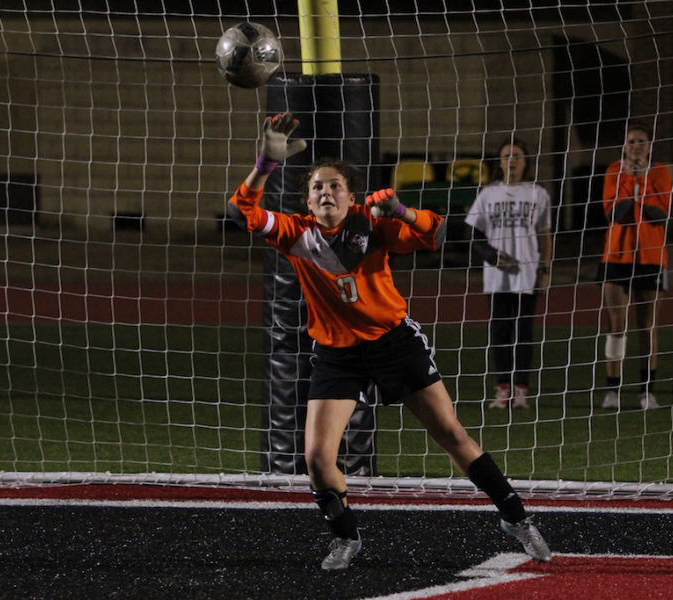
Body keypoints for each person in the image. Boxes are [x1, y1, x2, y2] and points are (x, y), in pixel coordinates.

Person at [227, 113, 551, 570]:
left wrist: (399, 209)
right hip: (338, 354)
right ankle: (346, 538)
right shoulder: (296, 233)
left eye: (335, 185)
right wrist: (266, 162)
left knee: (451, 435)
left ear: (351, 195)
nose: (326, 193)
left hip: (393, 341)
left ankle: (516, 518)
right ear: (306, 201)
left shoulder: (370, 223)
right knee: (318, 458)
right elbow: (240, 210)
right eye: (318, 187)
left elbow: (433, 231)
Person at [464, 138, 553, 409]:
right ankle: (503, 388)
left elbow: (545, 235)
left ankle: (521, 389)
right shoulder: (488, 194)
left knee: (524, 333)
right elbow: (471, 231)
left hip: (526, 274)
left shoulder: (537, 193)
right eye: (506, 157)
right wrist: (491, 255)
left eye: (516, 156)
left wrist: (546, 269)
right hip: (496, 276)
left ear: (526, 162)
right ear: (499, 163)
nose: (511, 161)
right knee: (501, 333)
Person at [597, 123, 672, 411]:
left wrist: (642, 184)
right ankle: (612, 390)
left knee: (647, 327)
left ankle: (646, 392)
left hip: (651, 258)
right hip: (616, 257)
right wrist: (630, 180)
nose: (636, 146)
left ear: (650, 147)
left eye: (642, 141)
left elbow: (659, 215)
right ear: (624, 146)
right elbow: (614, 212)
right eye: (631, 141)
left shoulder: (661, 172)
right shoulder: (615, 171)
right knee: (617, 325)